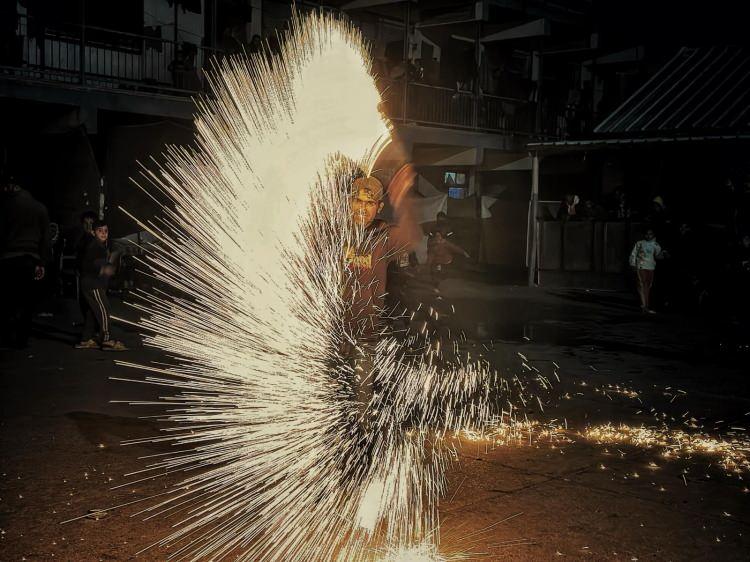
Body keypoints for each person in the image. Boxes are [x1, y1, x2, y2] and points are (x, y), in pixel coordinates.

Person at [0, 175, 49, 348]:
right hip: (30, 259)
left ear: (12, 186)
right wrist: (42, 263)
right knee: (28, 301)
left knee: (7, 300)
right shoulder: (39, 207)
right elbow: (45, 239)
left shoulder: (6, 206)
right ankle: (22, 339)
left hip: (8, 258)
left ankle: (6, 337)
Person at [75, 219, 127, 351]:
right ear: (93, 232)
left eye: (106, 231)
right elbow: (87, 264)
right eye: (100, 231)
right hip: (93, 285)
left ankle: (86, 339)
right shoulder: (95, 246)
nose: (104, 234)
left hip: (91, 284)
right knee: (104, 310)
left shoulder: (100, 246)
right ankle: (107, 340)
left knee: (92, 312)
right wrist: (102, 269)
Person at [629, 228, 664, 314]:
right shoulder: (640, 243)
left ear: (653, 235)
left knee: (648, 286)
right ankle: (644, 306)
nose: (648, 236)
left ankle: (645, 306)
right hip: (641, 266)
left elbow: (658, 256)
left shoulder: (656, 245)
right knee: (642, 284)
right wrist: (633, 264)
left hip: (651, 267)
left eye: (650, 234)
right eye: (647, 234)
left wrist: (664, 254)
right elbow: (633, 254)